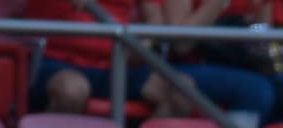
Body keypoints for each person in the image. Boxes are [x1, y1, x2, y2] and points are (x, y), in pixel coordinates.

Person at [26, 0, 195, 116]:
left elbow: (154, 18)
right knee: (72, 91)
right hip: (56, 60)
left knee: (183, 92)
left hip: (117, 63)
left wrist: (143, 45)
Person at [164, 0, 283, 126]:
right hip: (190, 65)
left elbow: (261, 38)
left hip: (241, 65)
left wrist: (269, 50)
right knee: (256, 91)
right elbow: (181, 45)